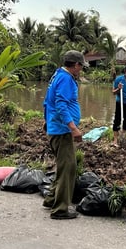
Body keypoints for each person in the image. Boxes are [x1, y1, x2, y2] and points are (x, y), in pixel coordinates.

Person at [42, 50, 87, 220]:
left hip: (56, 127)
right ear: (76, 65)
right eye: (81, 66)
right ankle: (60, 209)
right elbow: (60, 104)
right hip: (62, 131)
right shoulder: (66, 79)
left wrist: (46, 119)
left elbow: (48, 100)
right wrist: (73, 128)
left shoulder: (57, 75)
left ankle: (51, 199)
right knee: (68, 168)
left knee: (63, 166)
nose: (81, 69)